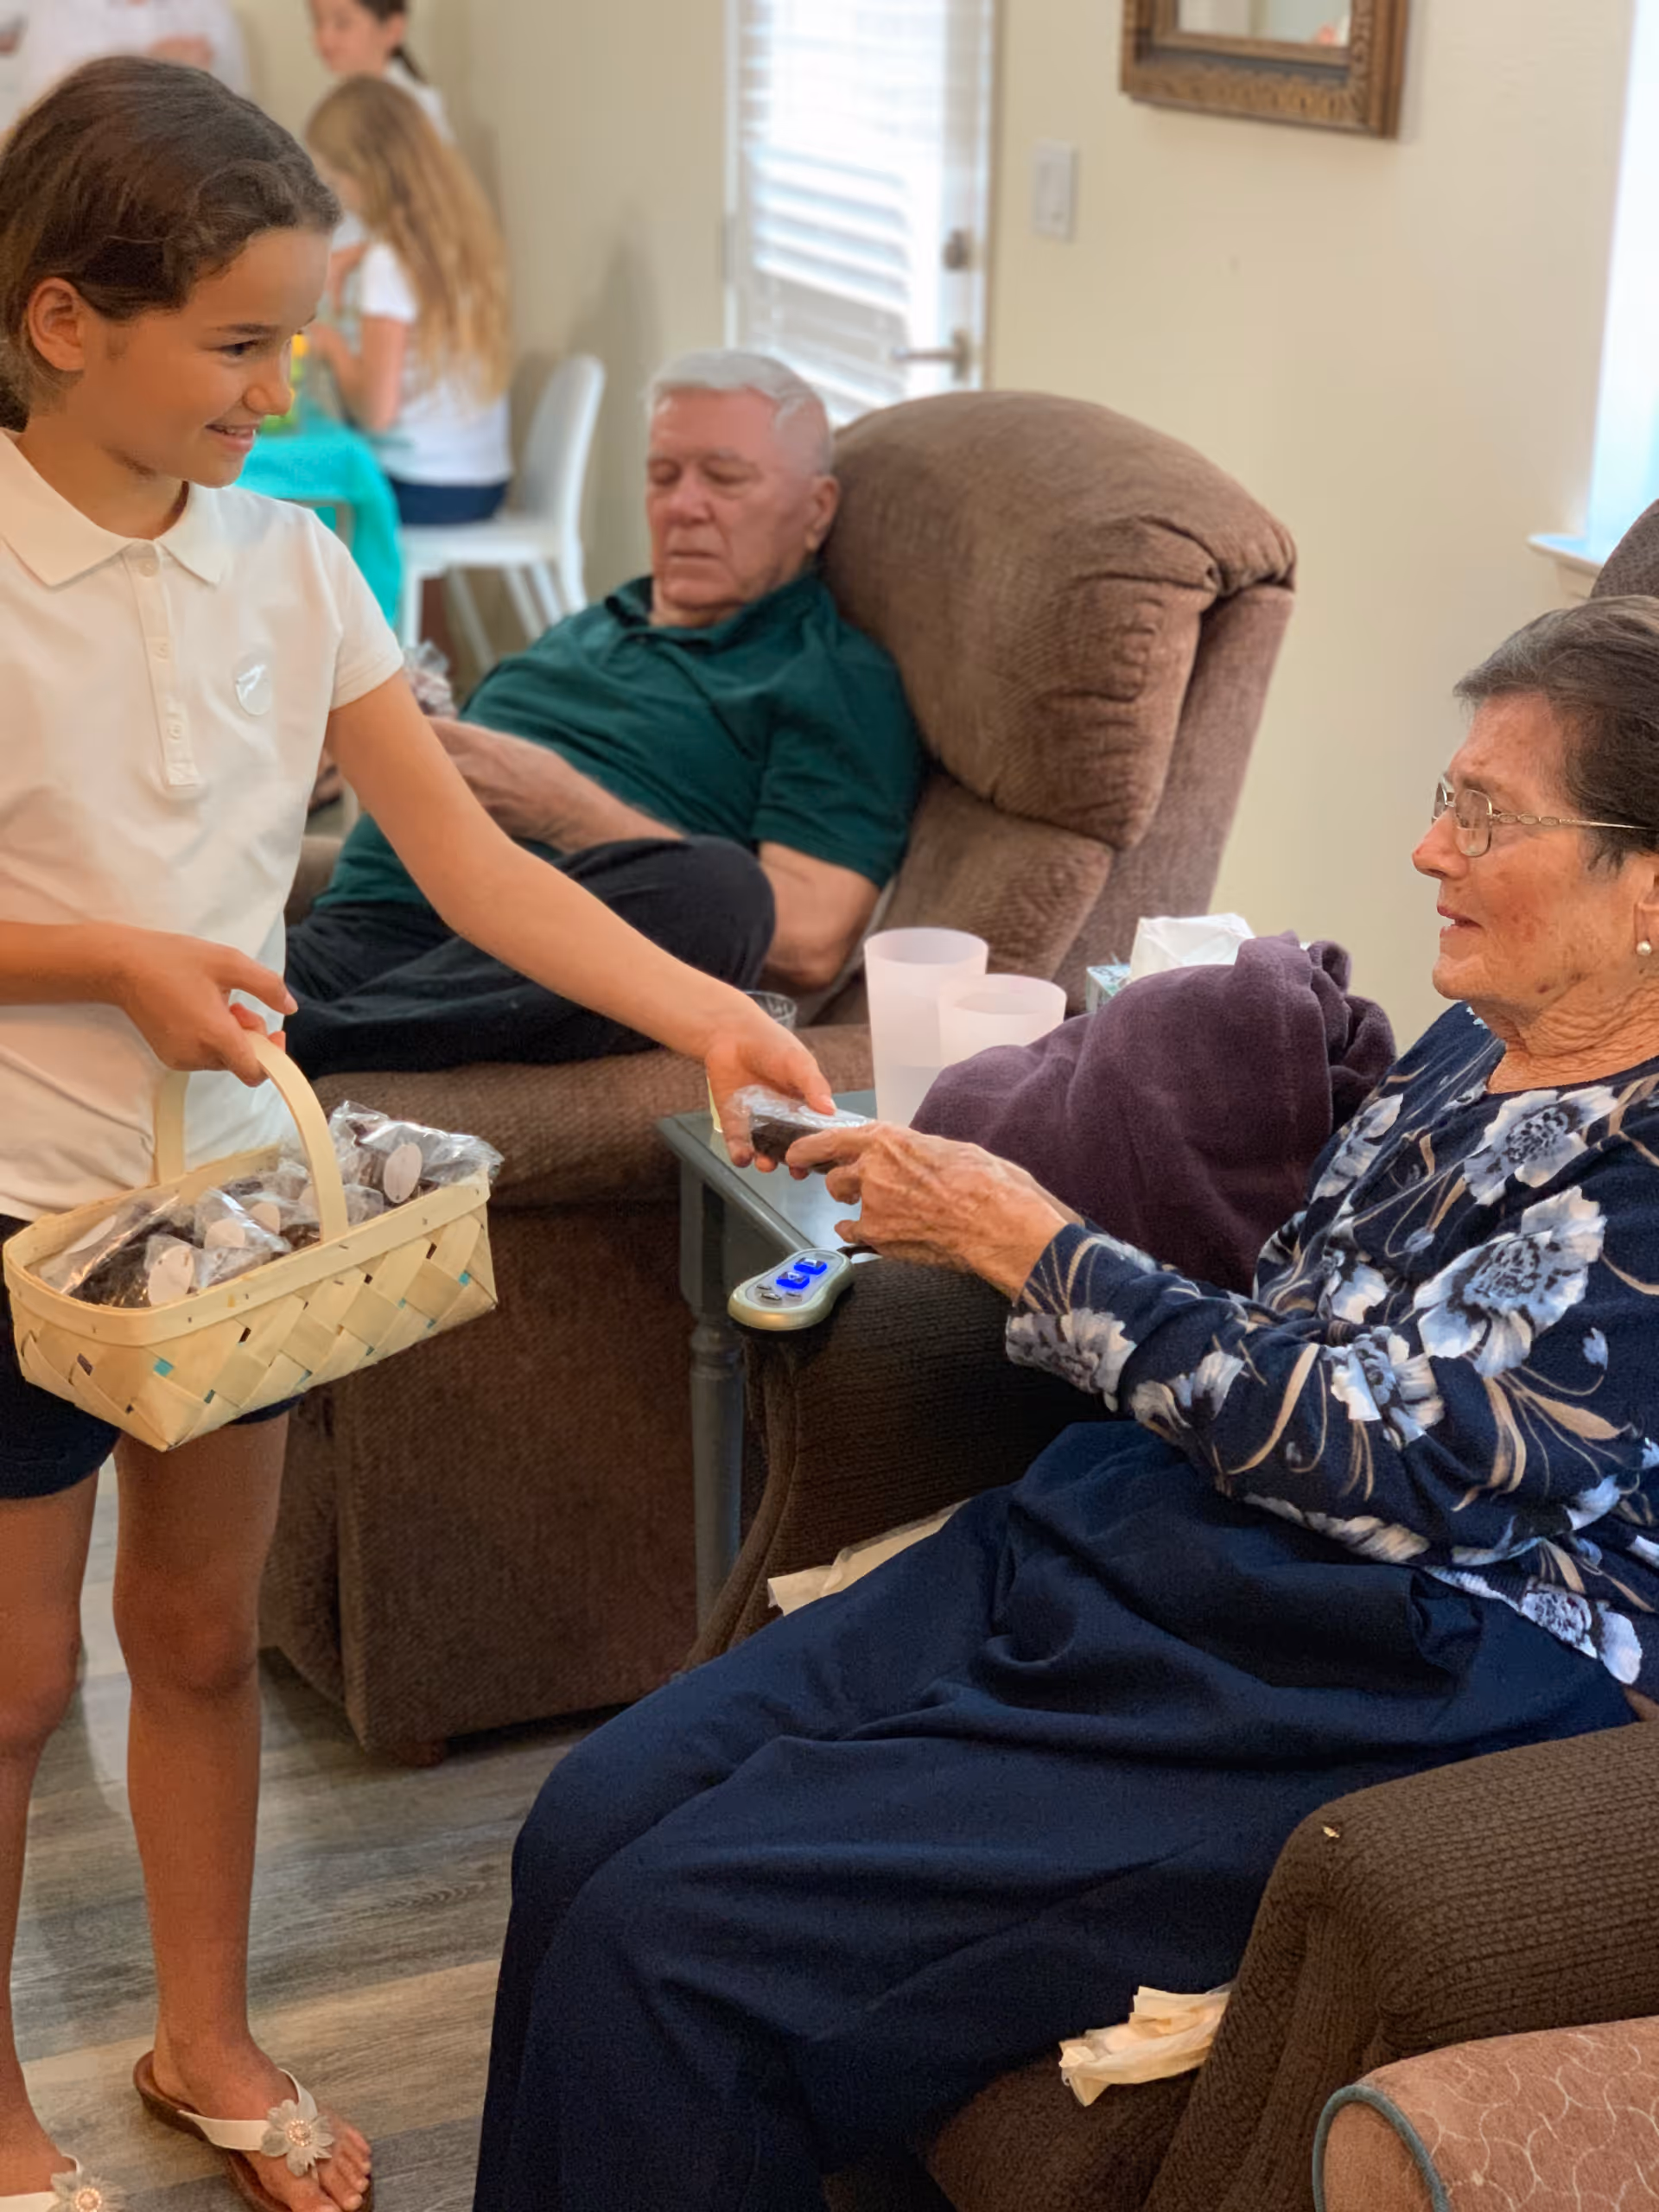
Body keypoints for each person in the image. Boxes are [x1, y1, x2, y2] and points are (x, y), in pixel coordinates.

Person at [474, 594, 1659, 2211]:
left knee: (670, 1957)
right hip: (1181, 1541)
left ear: (1648, 881)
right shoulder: (1476, 1040)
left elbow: (1417, 1465)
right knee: (589, 1819)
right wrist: (1038, 1253)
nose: (1425, 852)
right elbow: (1294, 1313)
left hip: (1393, 1663)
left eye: (1485, 814)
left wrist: (1028, 1239)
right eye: (1446, 794)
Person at [0, 58, 827, 2212]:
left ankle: (205, 2035)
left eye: (294, 334)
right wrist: (110, 955)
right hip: (11, 1201)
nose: (284, 389)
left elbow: (477, 871)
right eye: (241, 342)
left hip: (235, 1197)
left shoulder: (289, 562)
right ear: (66, 317)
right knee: (6, 1688)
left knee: (196, 1636)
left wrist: (718, 1006)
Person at [283, 350, 926, 1078]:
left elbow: (807, 942)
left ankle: (303, 1047)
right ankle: (278, 1032)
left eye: (724, 478)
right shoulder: (598, 620)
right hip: (354, 931)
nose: (684, 505)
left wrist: (563, 809)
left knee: (723, 895)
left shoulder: (831, 675)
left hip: (535, 968)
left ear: (816, 511)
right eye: (663, 476)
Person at [302, 77, 511, 527]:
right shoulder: (457, 246)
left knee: (298, 497)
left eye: (337, 181)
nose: (341, 200)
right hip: (481, 483)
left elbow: (377, 414)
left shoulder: (387, 263)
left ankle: (352, 600)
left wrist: (331, 346)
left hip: (421, 487)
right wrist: (359, 255)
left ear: (368, 175)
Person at [12, 0, 247, 107]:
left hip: (189, 155)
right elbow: (48, 105)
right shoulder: (59, 9)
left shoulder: (206, 8)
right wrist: (156, 62)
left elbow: (234, 99)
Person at [305, 0, 445, 133]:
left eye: (342, 23)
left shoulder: (412, 109)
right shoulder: (346, 100)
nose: (324, 39)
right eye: (318, 21)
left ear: (393, 29)